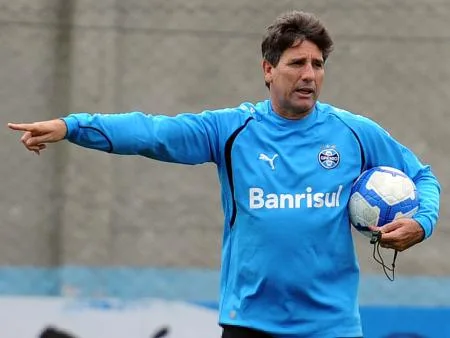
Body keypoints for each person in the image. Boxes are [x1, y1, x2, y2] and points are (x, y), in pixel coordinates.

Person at [8, 10, 440, 338]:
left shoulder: (353, 133)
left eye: (317, 64)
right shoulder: (231, 130)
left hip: (331, 325)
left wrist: (420, 224)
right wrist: (72, 127)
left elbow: (423, 177)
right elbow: (152, 132)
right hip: (249, 322)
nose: (309, 74)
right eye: (296, 63)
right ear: (268, 70)